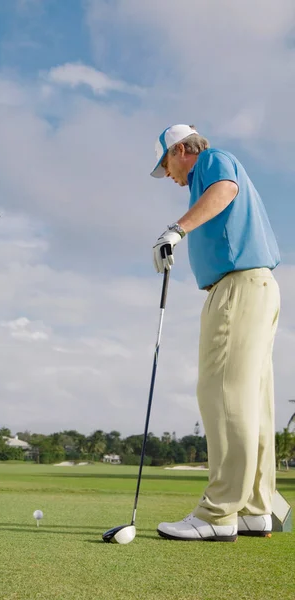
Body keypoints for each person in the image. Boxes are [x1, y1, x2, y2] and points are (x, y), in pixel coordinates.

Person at [150, 124, 280, 542]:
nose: (168, 174)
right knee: (251, 400)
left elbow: (224, 190)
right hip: (255, 287)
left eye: (166, 163)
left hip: (238, 288)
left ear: (182, 149)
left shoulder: (211, 160)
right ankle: (255, 509)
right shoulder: (209, 169)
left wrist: (176, 229)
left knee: (220, 393)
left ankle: (218, 512)